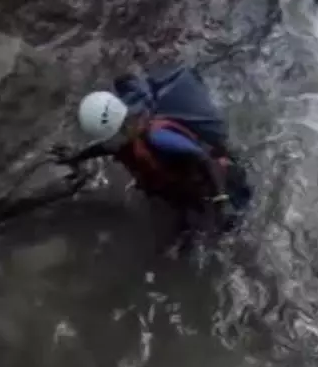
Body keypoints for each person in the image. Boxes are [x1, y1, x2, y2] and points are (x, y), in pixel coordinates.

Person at [48, 66, 253, 240]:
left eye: (113, 137)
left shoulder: (159, 138)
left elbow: (204, 159)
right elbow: (102, 148)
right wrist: (74, 157)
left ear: (124, 126)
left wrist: (221, 201)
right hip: (181, 189)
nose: (111, 143)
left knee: (227, 234)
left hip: (219, 184)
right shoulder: (122, 138)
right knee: (184, 225)